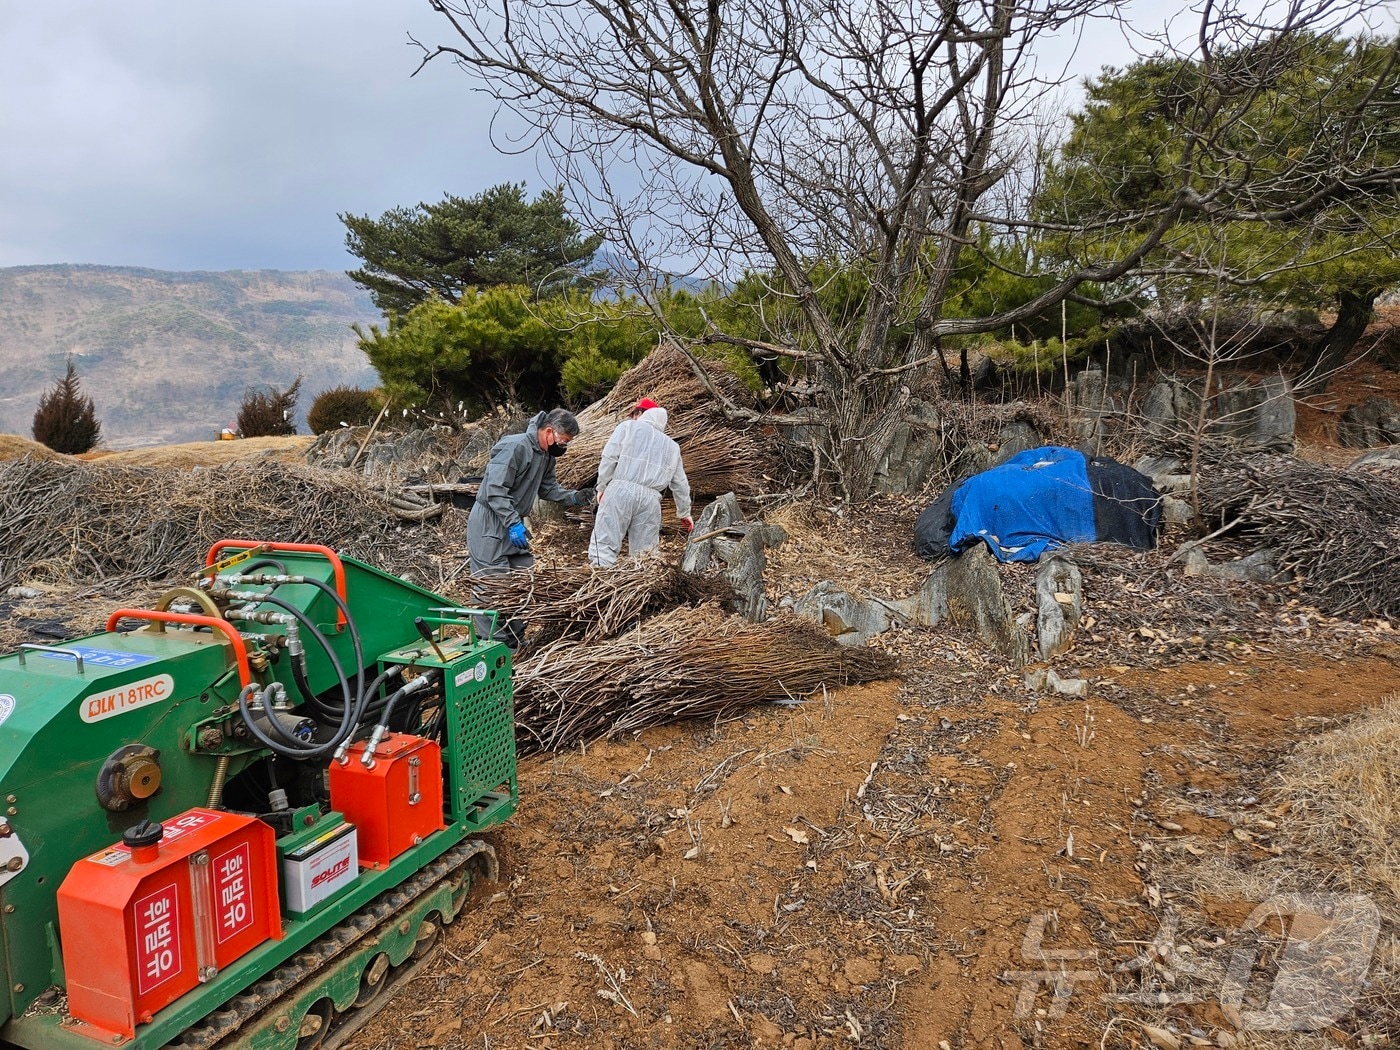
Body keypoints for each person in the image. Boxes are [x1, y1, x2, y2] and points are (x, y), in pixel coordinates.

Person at [468, 408, 594, 643]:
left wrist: (574, 497)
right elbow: (495, 491)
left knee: (522, 581)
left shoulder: (546, 456)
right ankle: (494, 644)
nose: (563, 447)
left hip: (513, 522)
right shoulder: (515, 447)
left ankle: (515, 638)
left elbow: (548, 489)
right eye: (563, 441)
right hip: (491, 522)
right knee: (492, 584)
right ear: (549, 431)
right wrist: (513, 524)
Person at [587, 398, 693, 567]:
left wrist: (602, 486)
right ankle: (638, 590)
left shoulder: (627, 427)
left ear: (642, 414)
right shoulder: (672, 447)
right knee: (645, 555)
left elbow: (609, 457)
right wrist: (684, 512)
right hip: (651, 501)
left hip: (620, 489)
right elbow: (680, 483)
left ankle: (601, 582)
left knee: (605, 544)